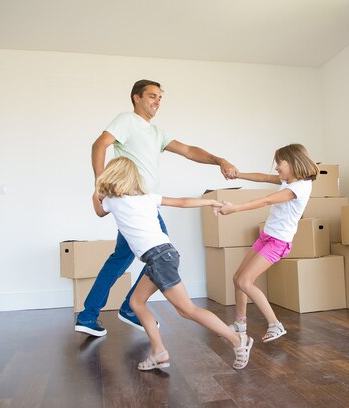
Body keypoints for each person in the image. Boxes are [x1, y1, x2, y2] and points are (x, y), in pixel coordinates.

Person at [75, 79, 238, 337]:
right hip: (136, 203)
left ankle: (100, 312)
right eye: (152, 96)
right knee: (162, 254)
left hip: (146, 204)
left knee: (126, 259)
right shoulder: (126, 120)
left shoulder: (156, 133)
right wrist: (99, 183)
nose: (157, 102)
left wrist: (218, 160)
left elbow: (188, 150)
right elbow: (100, 144)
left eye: (160, 98)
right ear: (136, 98)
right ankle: (119, 309)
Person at [93, 156, 253, 370]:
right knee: (136, 302)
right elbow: (182, 202)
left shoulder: (112, 201)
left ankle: (237, 340)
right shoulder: (147, 197)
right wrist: (210, 201)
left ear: (112, 176)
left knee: (187, 310)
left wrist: (96, 188)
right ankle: (159, 352)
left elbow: (99, 211)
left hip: (158, 258)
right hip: (164, 254)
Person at [218, 144, 319, 342]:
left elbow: (266, 201)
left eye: (279, 163)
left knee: (245, 281)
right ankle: (240, 323)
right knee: (237, 277)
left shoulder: (297, 187)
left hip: (278, 242)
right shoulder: (289, 180)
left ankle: (275, 325)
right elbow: (263, 177)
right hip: (267, 236)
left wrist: (234, 208)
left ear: (292, 162)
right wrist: (239, 175)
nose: (276, 168)